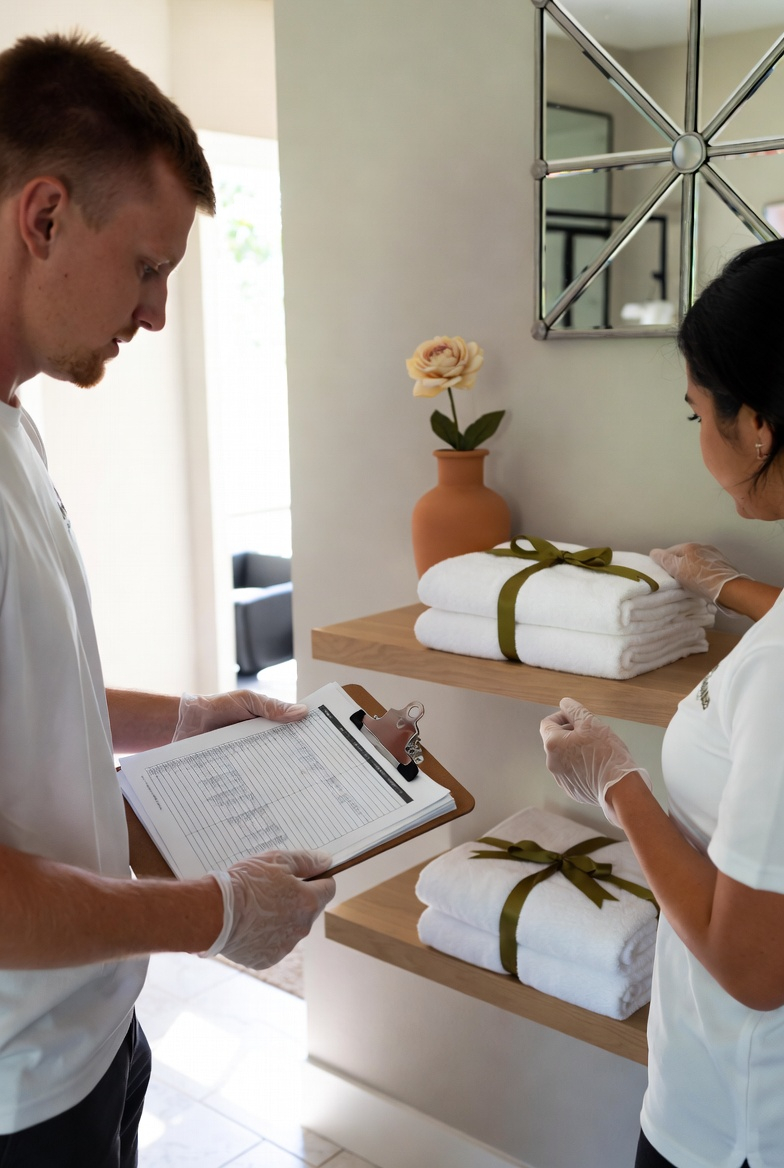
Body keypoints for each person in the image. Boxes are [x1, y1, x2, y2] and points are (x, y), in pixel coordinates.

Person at [0, 31, 335, 1166]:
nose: (152, 314)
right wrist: (218, 912)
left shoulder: (16, 426)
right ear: (45, 218)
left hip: (91, 1028)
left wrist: (188, 718)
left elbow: (32, 698)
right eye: (147, 268)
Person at [539, 238, 784, 1168]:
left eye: (695, 411)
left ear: (755, 424)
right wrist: (728, 589)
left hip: (740, 1123)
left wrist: (615, 783)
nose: (697, 436)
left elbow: (752, 966)